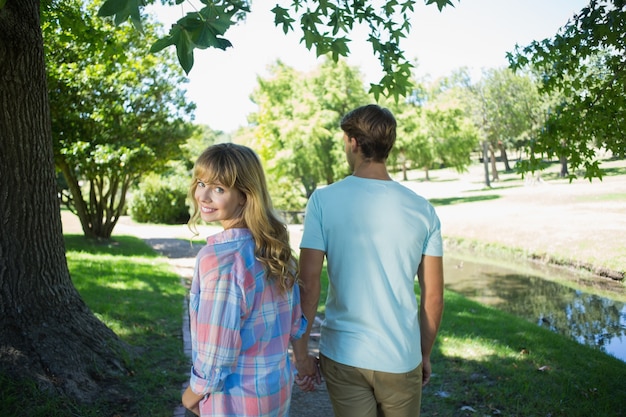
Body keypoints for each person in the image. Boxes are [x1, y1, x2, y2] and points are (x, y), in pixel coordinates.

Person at [293, 104, 445, 417]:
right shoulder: (423, 210)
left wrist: (301, 352)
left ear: (353, 142)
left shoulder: (323, 201)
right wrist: (424, 354)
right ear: (388, 145)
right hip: (401, 358)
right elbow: (433, 297)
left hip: (344, 354)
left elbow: (307, 285)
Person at [181, 143, 307, 417]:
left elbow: (216, 355)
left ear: (244, 196)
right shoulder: (274, 249)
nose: (203, 195)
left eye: (219, 189)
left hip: (233, 402)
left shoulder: (220, 260)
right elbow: (295, 322)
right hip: (275, 393)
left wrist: (190, 398)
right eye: (201, 183)